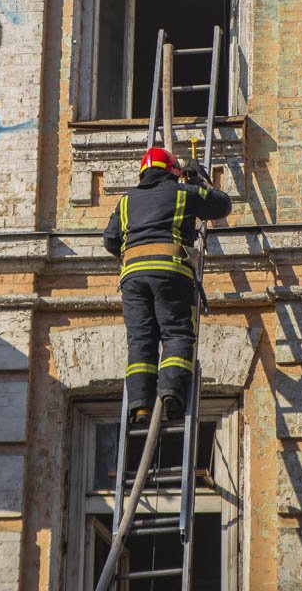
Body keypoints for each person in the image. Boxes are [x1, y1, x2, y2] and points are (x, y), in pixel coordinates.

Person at [103, 146, 232, 424]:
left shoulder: (125, 202)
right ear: (173, 172)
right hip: (171, 273)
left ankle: (140, 405)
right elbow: (222, 205)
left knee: (141, 340)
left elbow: (110, 240)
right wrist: (199, 182)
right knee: (176, 333)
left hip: (133, 278)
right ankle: (172, 393)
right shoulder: (183, 193)